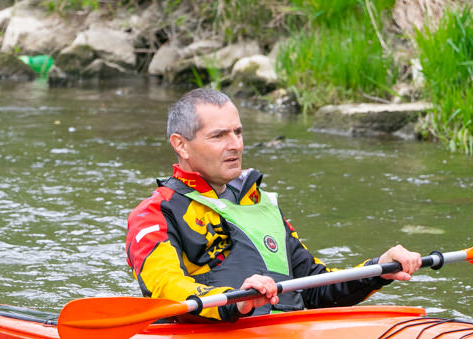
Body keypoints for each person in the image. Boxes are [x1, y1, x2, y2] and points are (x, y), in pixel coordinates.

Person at [126, 87, 422, 321]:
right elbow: (165, 289)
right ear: (180, 145)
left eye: (238, 132)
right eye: (219, 135)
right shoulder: (154, 214)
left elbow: (313, 288)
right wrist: (237, 300)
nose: (235, 145)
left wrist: (376, 270)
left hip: (286, 333)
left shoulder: (261, 204)